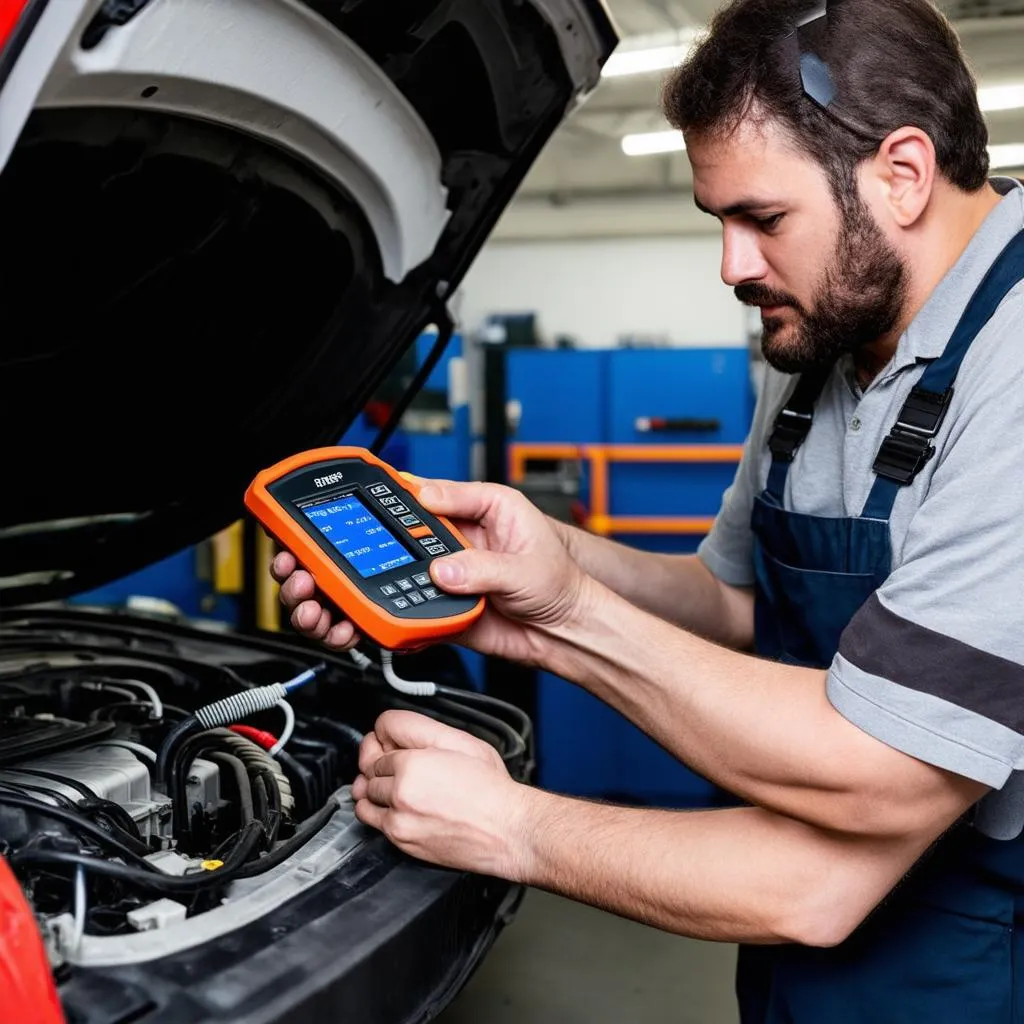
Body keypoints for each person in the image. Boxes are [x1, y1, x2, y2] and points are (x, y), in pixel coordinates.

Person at [271, 0, 1024, 1019]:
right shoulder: (822, 333)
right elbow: (726, 597)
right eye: (718, 222)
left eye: (763, 219)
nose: (732, 266)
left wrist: (517, 798)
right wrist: (542, 569)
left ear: (901, 171)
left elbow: (876, 774)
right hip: (796, 957)